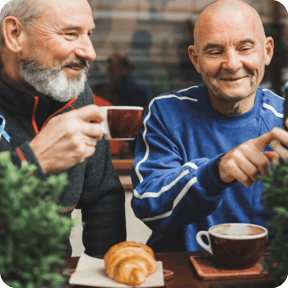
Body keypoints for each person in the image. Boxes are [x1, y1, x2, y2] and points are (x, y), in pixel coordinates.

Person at [131, 0, 288, 253]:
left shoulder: (283, 118)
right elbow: (148, 206)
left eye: (245, 48)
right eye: (215, 52)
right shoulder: (166, 112)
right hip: (185, 274)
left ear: (267, 51)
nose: (232, 64)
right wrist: (215, 172)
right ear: (196, 59)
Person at [0, 0, 126, 256]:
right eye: (70, 34)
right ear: (15, 34)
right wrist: (33, 161)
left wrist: (103, 273)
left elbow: (102, 195)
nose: (90, 52)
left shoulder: (75, 91)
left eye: (88, 34)